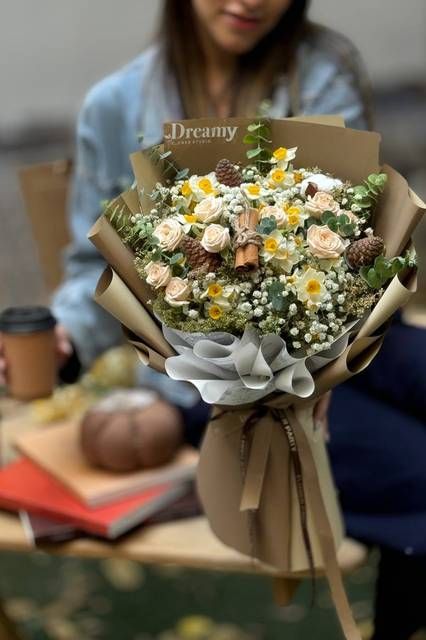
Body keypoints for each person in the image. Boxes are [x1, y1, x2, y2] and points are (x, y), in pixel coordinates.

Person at [0, 1, 423, 636]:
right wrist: (64, 335)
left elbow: (364, 222)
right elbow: (95, 265)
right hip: (217, 382)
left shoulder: (323, 68)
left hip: (341, 342)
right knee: (416, 476)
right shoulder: (116, 104)